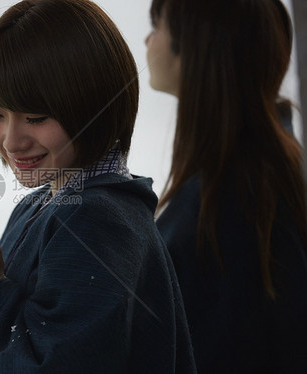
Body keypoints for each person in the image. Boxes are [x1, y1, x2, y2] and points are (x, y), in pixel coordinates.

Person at [0, 0, 196, 372]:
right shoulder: (38, 205)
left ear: (95, 105)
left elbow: (61, 363)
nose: (12, 141)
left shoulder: (97, 221)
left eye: (36, 117)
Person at [145, 0, 307, 372]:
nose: (148, 39)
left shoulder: (226, 203)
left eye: (159, 25)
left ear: (194, 47)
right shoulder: (272, 162)